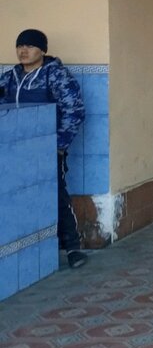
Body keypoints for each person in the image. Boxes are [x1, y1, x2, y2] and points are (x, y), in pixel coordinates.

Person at [1, 29, 88, 268]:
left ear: (42, 50)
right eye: (20, 46)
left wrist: (59, 146)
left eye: (30, 46)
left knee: (57, 194)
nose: (23, 51)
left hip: (48, 150)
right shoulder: (10, 78)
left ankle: (73, 248)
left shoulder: (56, 76)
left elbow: (75, 111)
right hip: (15, 152)